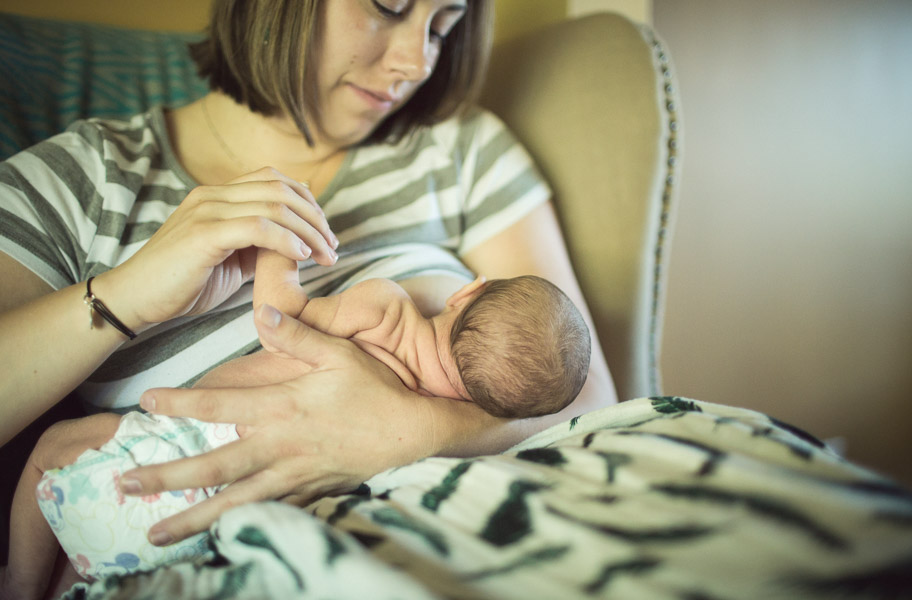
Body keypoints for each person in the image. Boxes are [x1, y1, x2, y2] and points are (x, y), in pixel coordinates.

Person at [0, 0, 616, 565]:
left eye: (441, 24)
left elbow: (588, 398)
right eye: (389, 5)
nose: (416, 61)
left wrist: (399, 434)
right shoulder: (84, 179)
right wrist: (124, 296)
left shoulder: (461, 150)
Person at [1, 271, 591, 596]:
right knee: (96, 570)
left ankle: (19, 583)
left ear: (467, 292)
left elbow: (277, 316)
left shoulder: (385, 308)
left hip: (170, 451)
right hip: (217, 533)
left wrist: (278, 253)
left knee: (55, 450)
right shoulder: (443, 417)